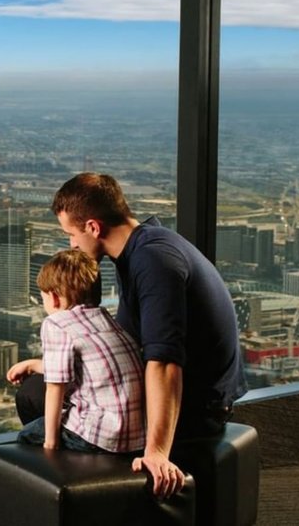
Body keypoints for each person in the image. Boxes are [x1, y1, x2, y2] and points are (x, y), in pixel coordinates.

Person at [17, 172, 247, 497]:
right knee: (40, 386)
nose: (71, 244)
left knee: (33, 397)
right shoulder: (144, 244)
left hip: (195, 411)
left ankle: (89, 495)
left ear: (94, 227)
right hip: (186, 396)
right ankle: (81, 495)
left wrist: (156, 452)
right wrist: (46, 364)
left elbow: (165, 362)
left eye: (71, 234)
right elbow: (121, 348)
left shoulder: (152, 261)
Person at [7, 249, 145, 454]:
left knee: (28, 435)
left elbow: (55, 387)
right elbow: (87, 368)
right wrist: (33, 365)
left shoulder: (57, 323)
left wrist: (50, 444)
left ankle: (58, 471)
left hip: (101, 437)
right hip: (138, 436)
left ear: (53, 298)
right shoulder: (105, 319)